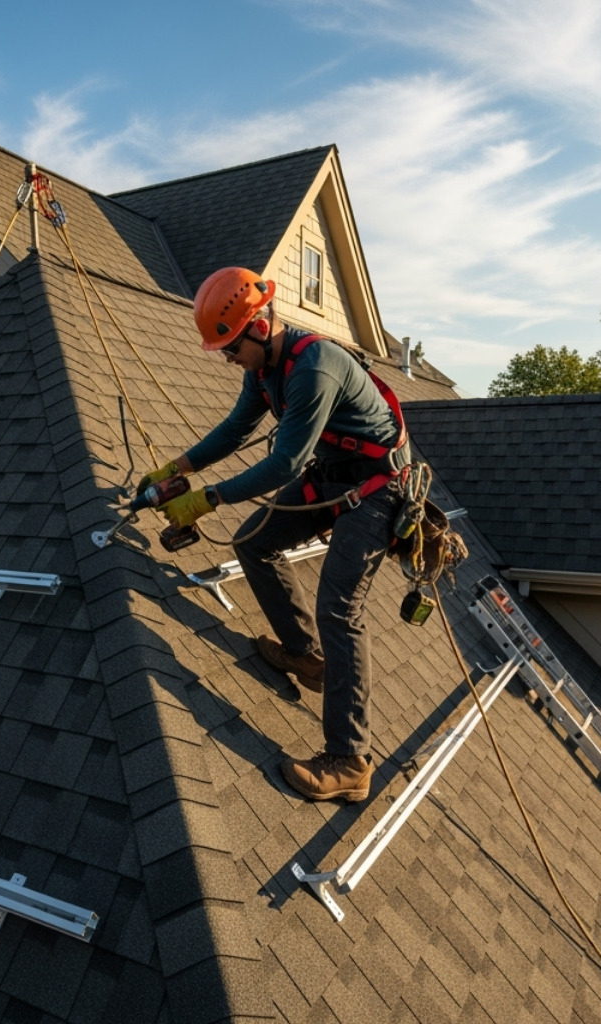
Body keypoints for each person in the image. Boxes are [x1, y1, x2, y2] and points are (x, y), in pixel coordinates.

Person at [147, 267, 409, 802]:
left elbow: (285, 463)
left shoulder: (313, 368)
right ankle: (303, 656)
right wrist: (179, 466)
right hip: (336, 476)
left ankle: (349, 760)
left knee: (339, 607)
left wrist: (207, 499)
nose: (227, 358)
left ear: (260, 328)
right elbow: (236, 429)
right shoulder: (265, 370)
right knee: (254, 543)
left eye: (229, 347)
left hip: (380, 488)